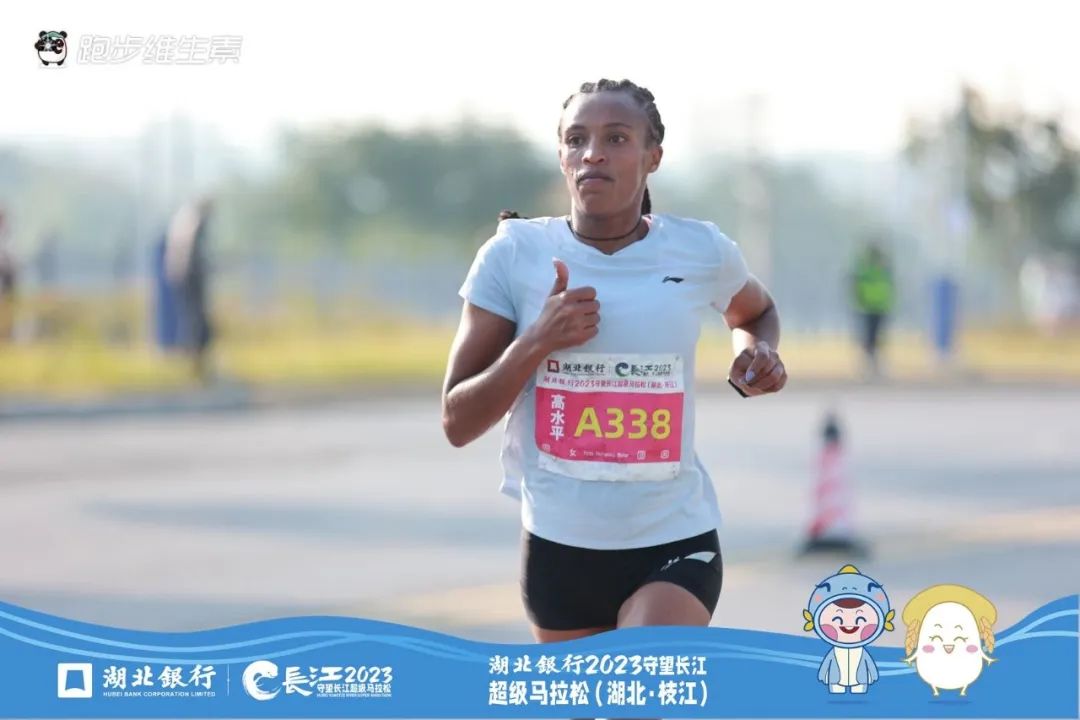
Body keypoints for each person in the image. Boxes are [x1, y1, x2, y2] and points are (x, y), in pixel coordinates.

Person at [442, 79, 787, 647]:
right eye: (576, 139)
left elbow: (757, 311)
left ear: (653, 157)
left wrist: (754, 352)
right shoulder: (513, 255)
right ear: (561, 157)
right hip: (559, 548)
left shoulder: (700, 250)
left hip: (675, 538)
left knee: (637, 681)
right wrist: (536, 342)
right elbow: (457, 422)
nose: (593, 153)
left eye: (617, 138)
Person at [850, 241, 894, 378]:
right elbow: (855, 286)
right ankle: (868, 367)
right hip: (867, 308)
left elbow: (890, 287)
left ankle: (876, 367)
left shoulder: (883, 269)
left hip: (880, 308)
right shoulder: (864, 269)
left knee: (878, 338)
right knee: (868, 338)